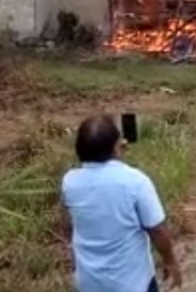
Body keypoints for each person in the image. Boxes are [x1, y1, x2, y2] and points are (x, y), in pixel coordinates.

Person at [62, 115, 183, 292]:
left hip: (89, 283)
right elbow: (157, 229)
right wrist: (170, 260)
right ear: (116, 146)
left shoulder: (69, 182)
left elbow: (70, 221)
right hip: (132, 283)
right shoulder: (135, 181)